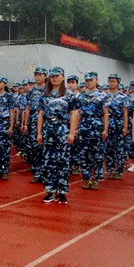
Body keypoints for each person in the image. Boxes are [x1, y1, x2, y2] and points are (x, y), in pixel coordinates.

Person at [37, 67, 77, 205]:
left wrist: (72, 132)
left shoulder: (69, 94)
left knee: (63, 160)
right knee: (48, 161)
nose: (54, 78)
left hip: (63, 128)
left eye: (57, 76)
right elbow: (41, 114)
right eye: (52, 76)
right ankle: (50, 190)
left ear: (63, 77)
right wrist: (39, 132)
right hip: (48, 129)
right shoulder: (45, 94)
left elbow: (74, 113)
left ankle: (61, 192)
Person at [74, 71, 108, 190]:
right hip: (84, 125)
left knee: (97, 154)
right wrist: (75, 128)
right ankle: (87, 179)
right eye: (87, 80)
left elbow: (105, 113)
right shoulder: (81, 96)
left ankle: (96, 179)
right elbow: (78, 113)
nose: (89, 82)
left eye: (91, 80)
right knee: (84, 154)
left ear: (96, 80)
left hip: (97, 125)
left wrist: (105, 129)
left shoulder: (102, 95)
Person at [103, 73, 129, 180]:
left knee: (119, 148)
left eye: (113, 81)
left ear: (118, 82)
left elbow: (125, 113)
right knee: (108, 148)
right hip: (108, 123)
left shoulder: (123, 97)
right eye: (110, 81)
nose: (111, 83)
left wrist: (125, 127)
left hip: (118, 122)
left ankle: (119, 169)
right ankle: (111, 169)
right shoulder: (104, 96)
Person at [0, 76, 15, 181]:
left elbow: (11, 111)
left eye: (0, 82)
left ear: (4, 84)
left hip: (5, 122)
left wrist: (11, 126)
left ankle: (5, 171)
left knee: (5, 148)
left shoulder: (9, 96)